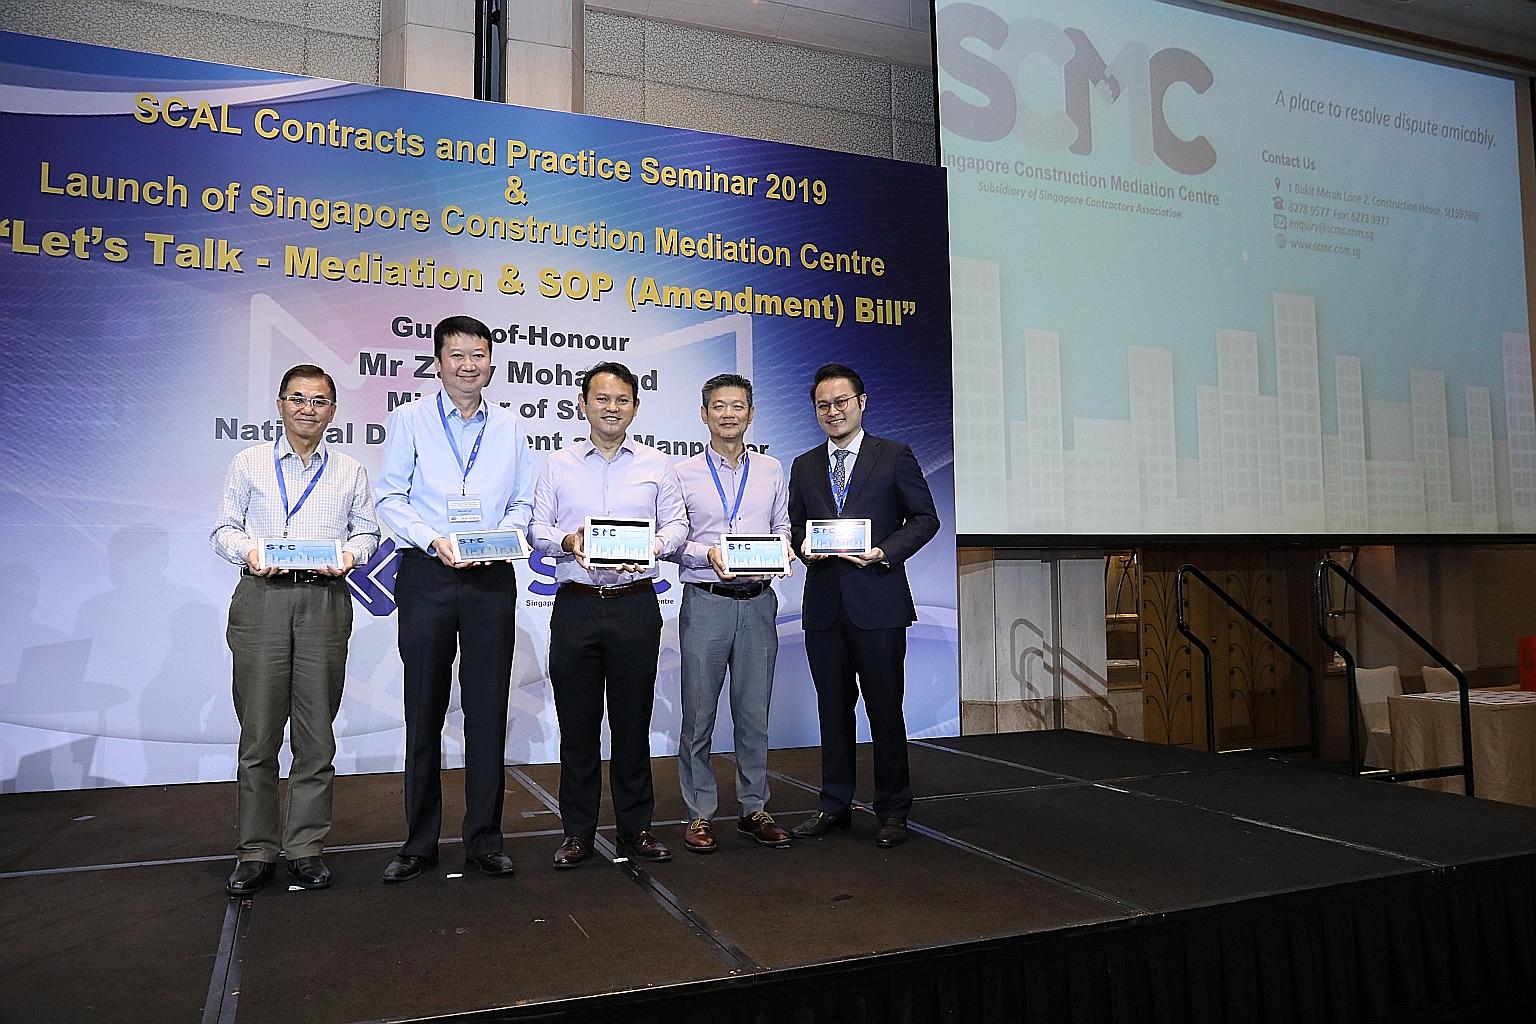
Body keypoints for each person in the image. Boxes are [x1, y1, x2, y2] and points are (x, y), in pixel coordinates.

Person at [375, 315, 534, 882]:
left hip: (491, 577)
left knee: (488, 709)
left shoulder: (513, 429)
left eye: (479, 354)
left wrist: (499, 540)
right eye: (457, 355)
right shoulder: (409, 420)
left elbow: (523, 506)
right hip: (428, 573)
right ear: (437, 362)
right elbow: (390, 498)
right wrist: (434, 539)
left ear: (492, 362)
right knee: (423, 708)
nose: (469, 365)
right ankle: (418, 842)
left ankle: (485, 839)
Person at [212, 364, 380, 895]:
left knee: (316, 735)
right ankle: (256, 850)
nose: (309, 409)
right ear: (280, 404)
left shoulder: (350, 470)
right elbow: (223, 529)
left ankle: (306, 846)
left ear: (333, 410)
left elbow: (368, 531)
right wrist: (251, 552)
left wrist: (351, 555)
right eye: (298, 399)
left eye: (320, 401)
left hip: (325, 599)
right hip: (262, 599)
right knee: (258, 734)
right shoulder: (250, 462)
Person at [529, 361, 688, 869]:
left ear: (636, 408)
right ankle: (576, 832)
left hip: (635, 605)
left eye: (622, 400)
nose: (611, 408)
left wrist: (653, 548)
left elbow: (678, 526)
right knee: (577, 728)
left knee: (631, 725)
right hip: (576, 606)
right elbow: (537, 529)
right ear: (583, 403)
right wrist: (569, 541)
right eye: (602, 398)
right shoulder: (556, 464)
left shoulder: (658, 465)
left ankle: (636, 830)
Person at [787, 363, 939, 848]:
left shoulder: (894, 455)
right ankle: (835, 805)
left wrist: (884, 552)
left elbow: (925, 519)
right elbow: (795, 527)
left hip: (879, 603)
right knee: (832, 711)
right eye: (823, 406)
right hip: (825, 608)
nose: (832, 412)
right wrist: (801, 547)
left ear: (862, 402)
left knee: (885, 711)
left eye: (841, 403)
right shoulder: (804, 465)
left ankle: (893, 810)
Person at [667, 374, 793, 853]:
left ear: (751, 413)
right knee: (698, 715)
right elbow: (674, 540)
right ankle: (699, 813)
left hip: (759, 603)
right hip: (707, 603)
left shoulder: (772, 470)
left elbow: (782, 526)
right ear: (704, 414)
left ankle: (753, 808)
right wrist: (709, 556)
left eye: (737, 406)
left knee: (753, 714)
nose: (728, 414)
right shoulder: (682, 473)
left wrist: (781, 552)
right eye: (718, 406)